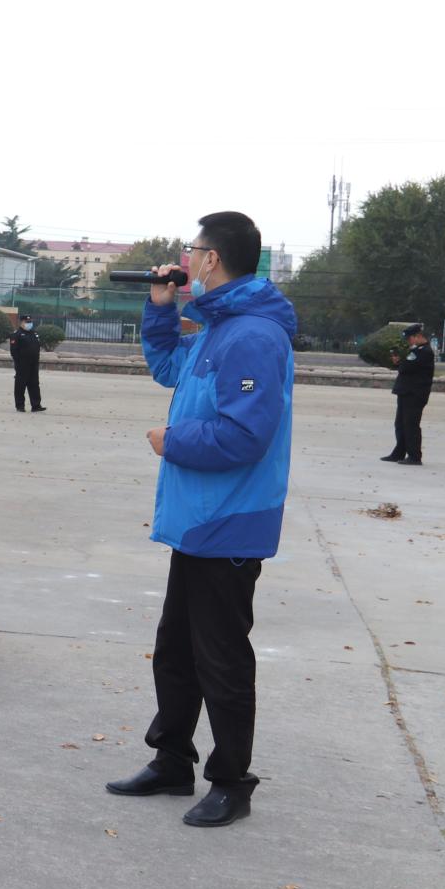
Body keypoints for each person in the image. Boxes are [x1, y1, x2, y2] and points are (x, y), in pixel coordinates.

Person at [108, 211, 296, 830]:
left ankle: (232, 780)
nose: (185, 260)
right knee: (176, 651)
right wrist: (162, 307)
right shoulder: (216, 330)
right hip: (198, 522)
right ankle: (171, 759)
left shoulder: (253, 337)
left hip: (230, 522)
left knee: (220, 657)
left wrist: (172, 441)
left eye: (191, 252)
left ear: (211, 259)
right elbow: (168, 367)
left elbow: (244, 435)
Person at [384, 323, 433, 465]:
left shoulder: (424, 352)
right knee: (400, 424)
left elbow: (406, 367)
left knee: (411, 425)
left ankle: (414, 456)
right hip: (406, 392)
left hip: (414, 394)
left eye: (410, 339)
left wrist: (401, 362)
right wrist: (398, 362)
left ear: (418, 336)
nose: (408, 342)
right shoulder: (416, 350)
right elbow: (404, 366)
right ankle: (399, 452)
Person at [10, 312, 46, 413]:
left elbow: (37, 347)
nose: (29, 323)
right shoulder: (16, 334)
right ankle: (20, 406)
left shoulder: (34, 333)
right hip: (22, 364)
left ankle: (36, 405)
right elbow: (14, 351)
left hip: (34, 363)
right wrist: (19, 363)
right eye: (27, 322)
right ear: (21, 322)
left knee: (34, 384)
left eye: (30, 322)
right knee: (20, 385)